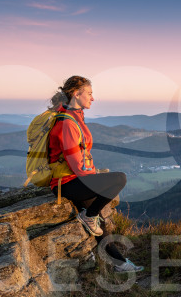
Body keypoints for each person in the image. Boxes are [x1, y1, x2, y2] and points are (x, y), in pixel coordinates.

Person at [48, 75, 143, 272]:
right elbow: (77, 165)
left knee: (97, 221)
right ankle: (89, 217)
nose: (93, 98)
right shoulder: (67, 123)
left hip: (73, 180)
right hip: (68, 183)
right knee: (119, 179)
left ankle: (120, 264)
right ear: (76, 94)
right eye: (89, 93)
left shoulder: (74, 116)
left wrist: (92, 173)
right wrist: (94, 175)